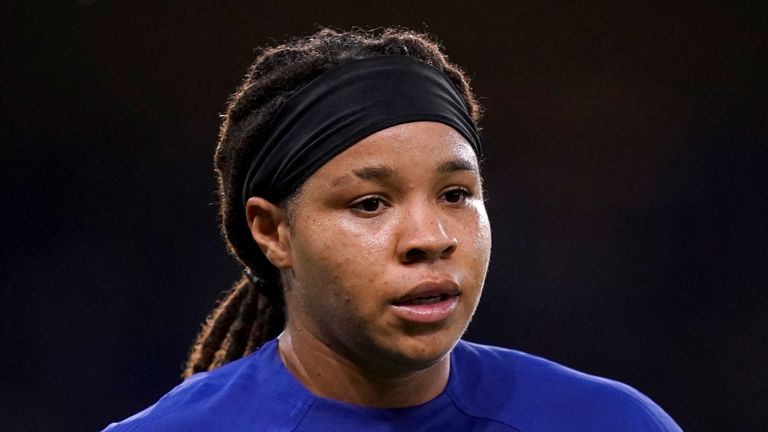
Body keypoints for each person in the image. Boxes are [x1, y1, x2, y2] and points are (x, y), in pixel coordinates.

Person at [103, 27, 682, 431]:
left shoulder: (608, 421)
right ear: (274, 232)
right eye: (371, 203)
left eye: (456, 195)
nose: (430, 237)